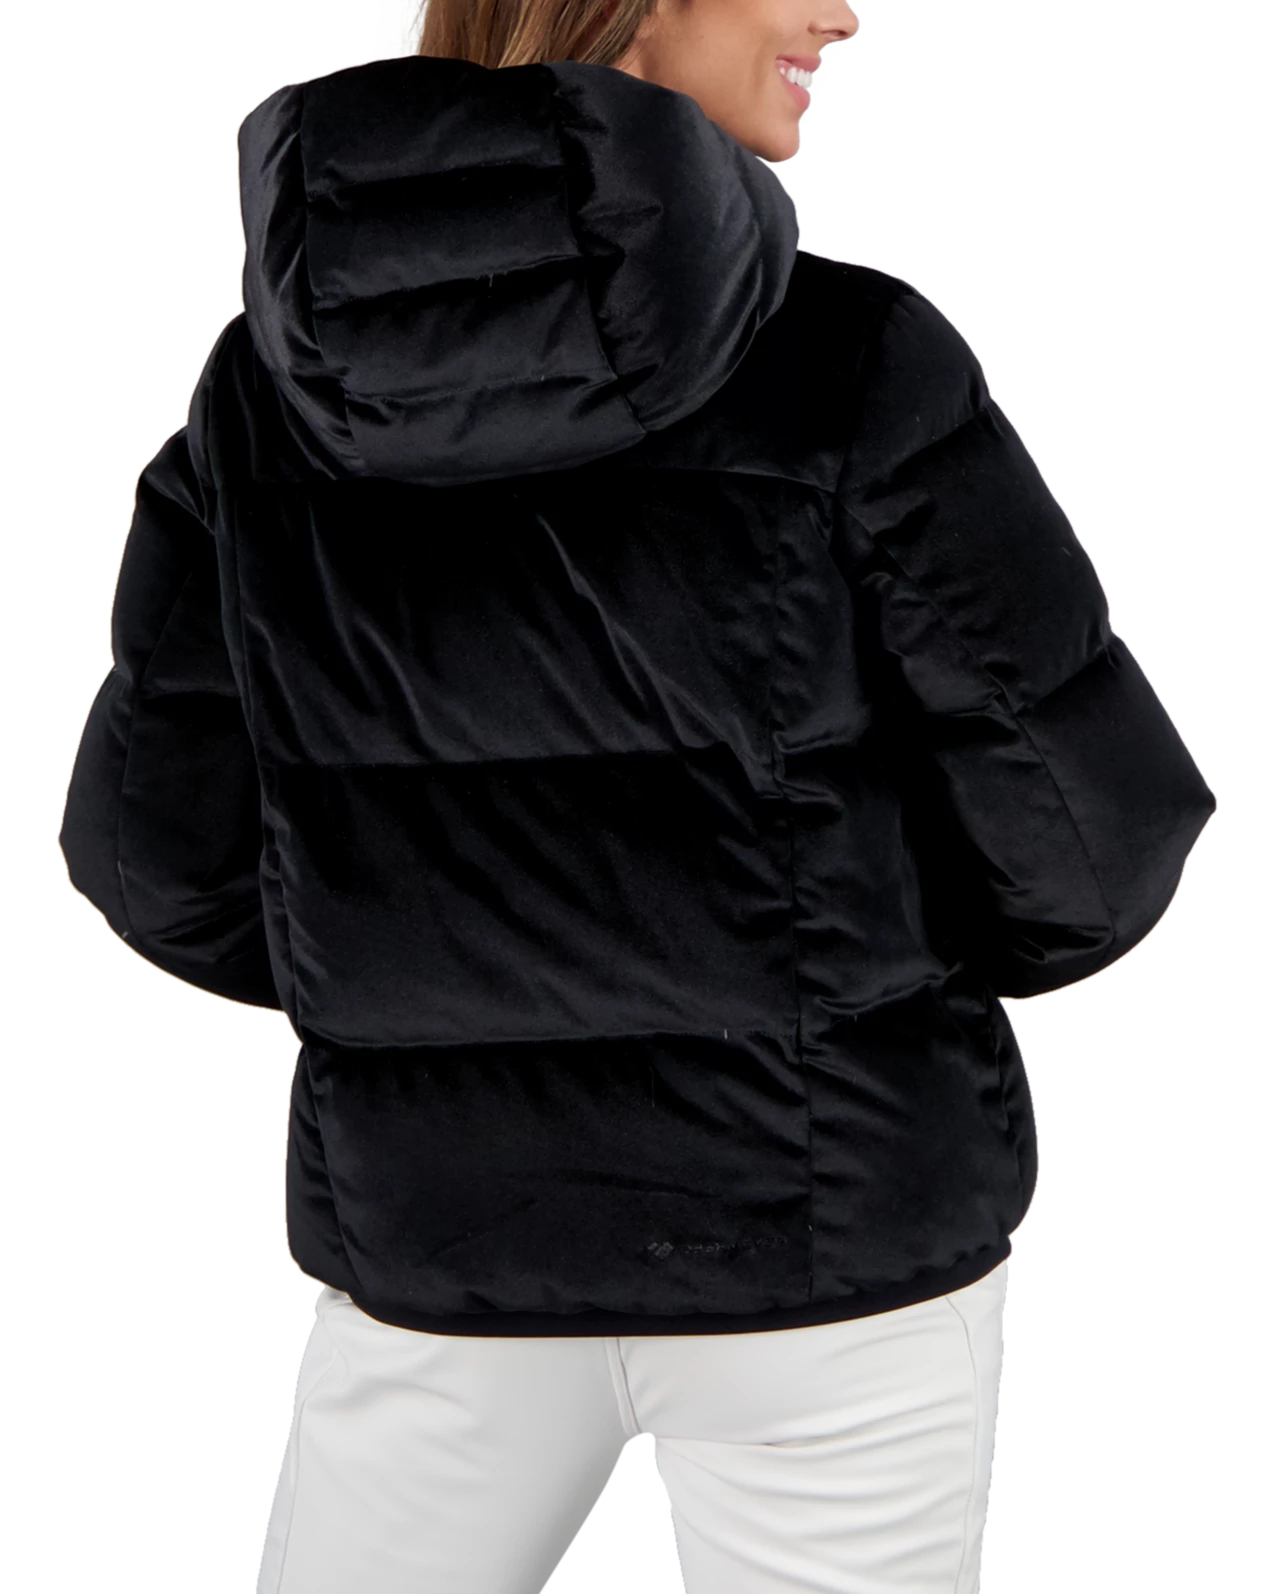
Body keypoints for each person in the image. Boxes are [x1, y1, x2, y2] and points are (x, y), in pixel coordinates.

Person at [55, 2, 1218, 1590]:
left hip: (440, 1241)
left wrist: (425, 987)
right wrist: (853, 991)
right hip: (828, 1246)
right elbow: (1091, 839)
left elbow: (151, 857)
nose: (839, 10)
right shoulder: (849, 356)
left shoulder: (266, 395)